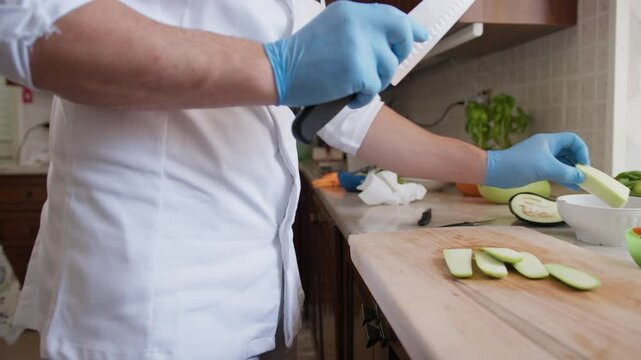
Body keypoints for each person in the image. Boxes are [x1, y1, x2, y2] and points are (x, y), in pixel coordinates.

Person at [0, 0, 589, 359]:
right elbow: (28, 20)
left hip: (259, 304)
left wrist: (491, 165)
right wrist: (274, 67)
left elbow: (348, 113)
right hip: (153, 312)